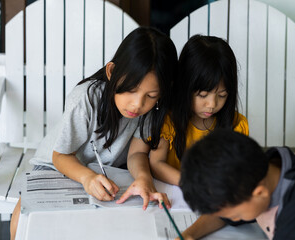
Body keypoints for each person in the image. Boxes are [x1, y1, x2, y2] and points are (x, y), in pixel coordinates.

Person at [10, 27, 178, 239]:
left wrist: (144, 178)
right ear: (111, 72)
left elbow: (136, 154)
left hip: (107, 172)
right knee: (22, 220)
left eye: (151, 95)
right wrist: (87, 178)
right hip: (57, 165)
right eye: (132, 89)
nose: (138, 104)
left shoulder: (152, 110)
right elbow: (60, 156)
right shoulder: (86, 98)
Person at [177, 129, 295, 240]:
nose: (233, 219)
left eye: (237, 215)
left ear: (260, 193)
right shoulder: (257, 171)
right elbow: (221, 214)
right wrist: (187, 235)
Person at [149, 35, 248, 185]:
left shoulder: (237, 124)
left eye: (222, 95)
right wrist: (192, 185)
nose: (212, 104)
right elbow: (156, 164)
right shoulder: (168, 121)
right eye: (202, 95)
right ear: (184, 86)